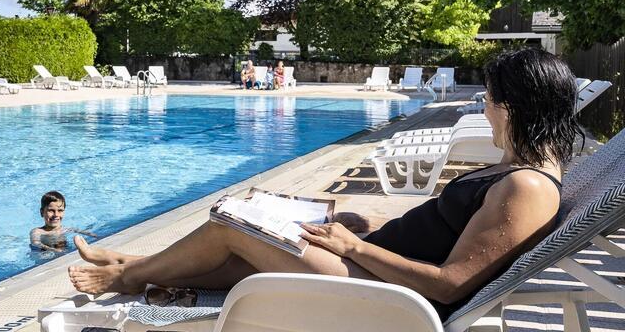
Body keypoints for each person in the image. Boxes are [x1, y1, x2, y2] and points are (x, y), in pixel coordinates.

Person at [67, 49, 581, 319]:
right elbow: (440, 231)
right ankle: (134, 265)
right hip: (368, 258)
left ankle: (127, 277)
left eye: (488, 99)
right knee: (257, 217)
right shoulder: (520, 170)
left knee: (233, 225)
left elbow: (448, 285)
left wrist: (353, 243)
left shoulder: (528, 188)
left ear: (513, 107)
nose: (482, 106)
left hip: (385, 289)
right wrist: (352, 219)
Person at [31, 191, 97, 252]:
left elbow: (90, 234)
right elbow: (35, 243)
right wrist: (54, 250)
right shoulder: (38, 231)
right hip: (46, 255)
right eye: (51, 210)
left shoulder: (66, 229)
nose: (56, 215)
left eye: (60, 210)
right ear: (42, 212)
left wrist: (96, 236)